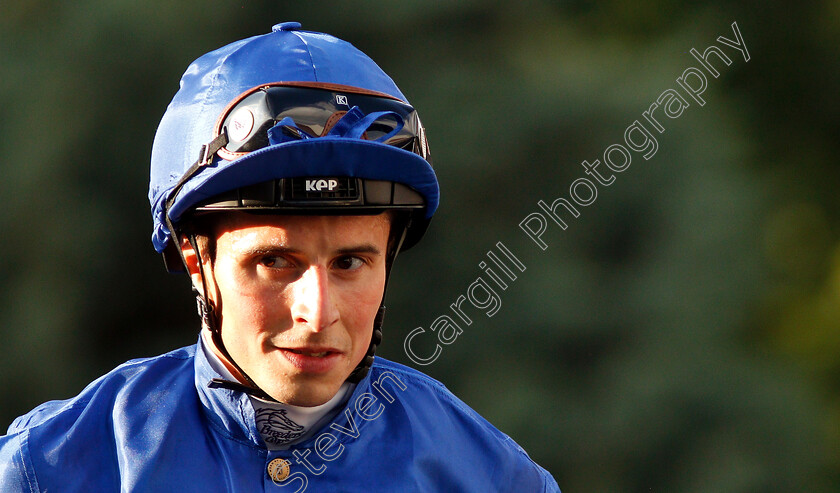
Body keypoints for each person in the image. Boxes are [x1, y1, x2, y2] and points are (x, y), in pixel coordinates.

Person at [0, 22, 560, 492]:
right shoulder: (43, 468)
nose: (317, 315)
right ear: (196, 259)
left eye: (349, 263)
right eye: (275, 261)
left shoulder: (492, 477)